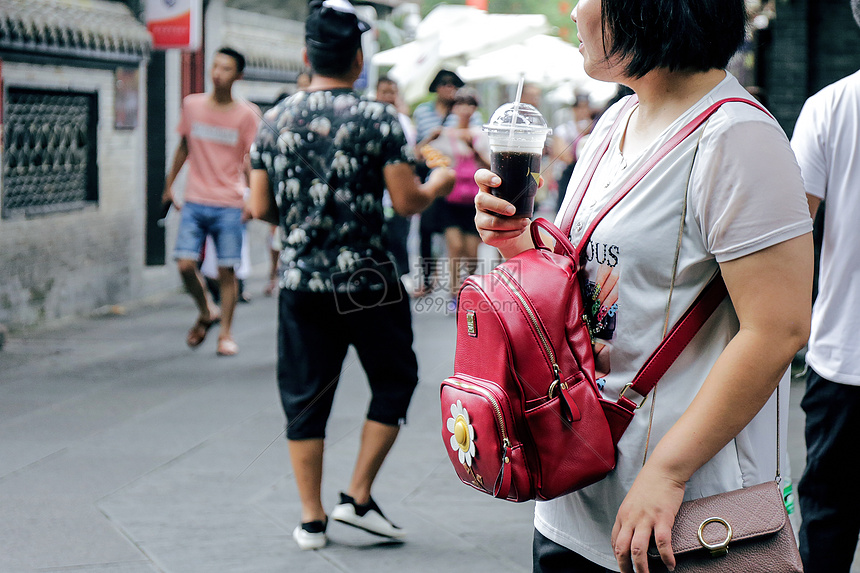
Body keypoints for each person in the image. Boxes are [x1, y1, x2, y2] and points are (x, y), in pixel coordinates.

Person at [473, 0, 814, 571]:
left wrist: (668, 472)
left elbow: (777, 328)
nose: (575, 11)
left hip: (683, 517)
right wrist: (519, 244)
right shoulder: (614, 123)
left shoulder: (739, 137)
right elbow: (594, 277)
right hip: (576, 490)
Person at [248, 0, 455, 551]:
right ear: (358, 59)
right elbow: (407, 202)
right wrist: (440, 178)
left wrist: (299, 218)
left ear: (305, 55)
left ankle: (312, 520)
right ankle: (358, 497)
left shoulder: (272, 118)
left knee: (306, 396)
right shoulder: (377, 118)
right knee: (395, 380)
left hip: (300, 283)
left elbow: (260, 205)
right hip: (367, 279)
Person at [790, 2, 860, 570]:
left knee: (827, 520)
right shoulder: (831, 105)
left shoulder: (833, 106)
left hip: (842, 360)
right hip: (841, 356)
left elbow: (793, 233)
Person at [163, 47, 260, 357]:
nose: (218, 73)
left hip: (229, 203)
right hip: (195, 199)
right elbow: (183, 147)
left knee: (226, 270)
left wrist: (252, 198)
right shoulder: (192, 106)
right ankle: (207, 310)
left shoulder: (247, 114)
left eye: (226, 68)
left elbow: (251, 161)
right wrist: (168, 187)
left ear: (238, 75)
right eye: (215, 66)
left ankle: (226, 335)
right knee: (185, 264)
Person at [416, 87, 489, 310]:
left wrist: (474, 151)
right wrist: (430, 137)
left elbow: (490, 166)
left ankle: (469, 290)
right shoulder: (445, 134)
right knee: (455, 247)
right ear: (454, 108)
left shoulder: (481, 134)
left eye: (469, 104)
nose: (465, 108)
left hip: (474, 201)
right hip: (450, 199)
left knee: (472, 254)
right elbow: (419, 155)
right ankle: (455, 295)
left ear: (475, 108)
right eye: (460, 103)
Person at [375, 76, 417, 279]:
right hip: (376, 199)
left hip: (396, 196)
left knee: (399, 240)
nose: (388, 96)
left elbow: (411, 158)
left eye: (392, 92)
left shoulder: (403, 123)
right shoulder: (370, 120)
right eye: (384, 92)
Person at [552, 92, 597, 213]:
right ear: (574, 109)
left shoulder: (597, 130)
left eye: (586, 107)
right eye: (579, 108)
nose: (583, 111)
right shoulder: (564, 129)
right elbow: (565, 156)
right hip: (568, 176)